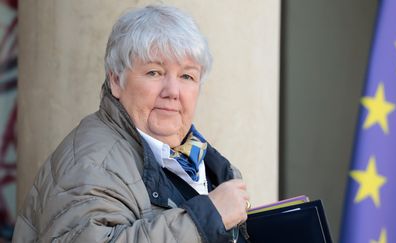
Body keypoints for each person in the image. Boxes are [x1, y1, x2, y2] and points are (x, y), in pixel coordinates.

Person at [12, 5, 250, 243]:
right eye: (154, 72)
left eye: (186, 76)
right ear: (116, 80)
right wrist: (205, 219)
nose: (172, 92)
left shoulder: (199, 161)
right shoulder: (94, 163)